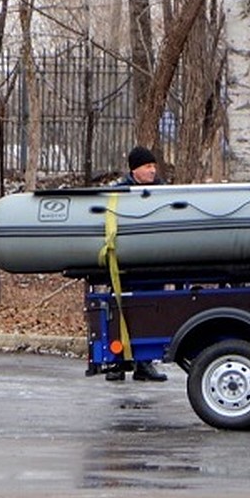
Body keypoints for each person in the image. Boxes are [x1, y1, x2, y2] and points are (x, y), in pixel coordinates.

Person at [106, 146, 168, 382]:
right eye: (147, 166)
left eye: (154, 166)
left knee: (150, 313)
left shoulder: (162, 192)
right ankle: (117, 363)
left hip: (153, 266)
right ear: (135, 170)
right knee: (121, 311)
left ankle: (144, 364)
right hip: (126, 265)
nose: (152, 171)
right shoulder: (120, 193)